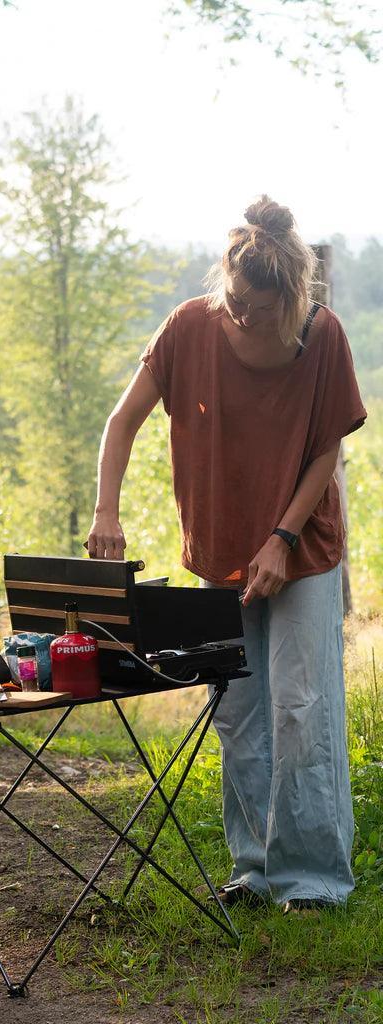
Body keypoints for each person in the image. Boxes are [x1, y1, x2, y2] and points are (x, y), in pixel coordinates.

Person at [87, 196, 367, 914]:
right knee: (238, 712)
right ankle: (257, 868)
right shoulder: (189, 327)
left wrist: (282, 539)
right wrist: (106, 510)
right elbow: (122, 421)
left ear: (292, 297)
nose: (244, 316)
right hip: (221, 549)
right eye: (236, 300)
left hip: (303, 548)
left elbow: (327, 449)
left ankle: (312, 879)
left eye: (260, 309)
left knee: (300, 707)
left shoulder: (321, 336)